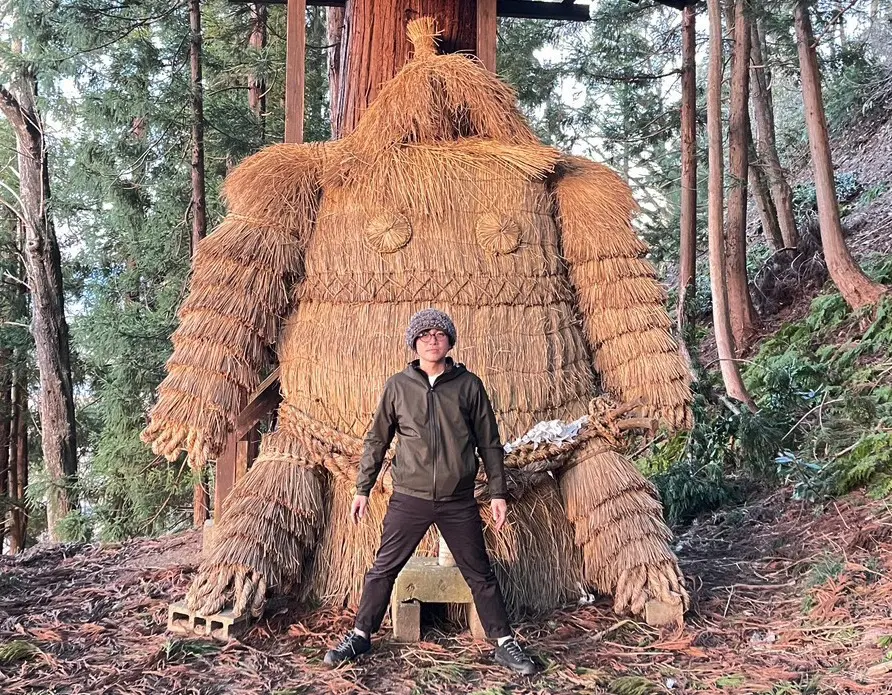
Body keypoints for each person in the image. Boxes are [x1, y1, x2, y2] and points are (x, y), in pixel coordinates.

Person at [323, 308, 539, 675]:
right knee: (383, 569)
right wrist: (363, 488)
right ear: (414, 343)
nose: (432, 339)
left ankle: (505, 643)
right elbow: (378, 440)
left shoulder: (468, 386)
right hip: (410, 497)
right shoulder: (398, 386)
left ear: (450, 341)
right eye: (424, 334)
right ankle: (360, 636)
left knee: (480, 573)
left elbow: (489, 442)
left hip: (458, 500)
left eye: (440, 333)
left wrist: (498, 492)